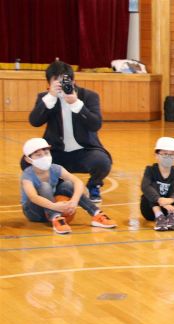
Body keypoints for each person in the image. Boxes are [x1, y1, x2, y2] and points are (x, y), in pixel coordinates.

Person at [27, 60, 112, 203]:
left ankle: (94, 186)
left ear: (73, 80)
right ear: (49, 83)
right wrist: (50, 98)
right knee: (28, 162)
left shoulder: (88, 96)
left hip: (85, 151)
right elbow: (34, 121)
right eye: (56, 81)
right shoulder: (45, 98)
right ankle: (58, 184)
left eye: (65, 80)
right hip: (56, 152)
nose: (61, 85)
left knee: (102, 161)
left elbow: (95, 124)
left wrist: (77, 104)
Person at [20, 138, 117, 234]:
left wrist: (74, 201)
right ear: (28, 160)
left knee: (68, 185)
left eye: (46, 153)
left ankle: (96, 213)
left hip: (52, 207)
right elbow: (33, 197)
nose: (44, 157)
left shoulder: (55, 168)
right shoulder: (27, 175)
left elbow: (77, 182)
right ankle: (56, 218)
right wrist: (54, 206)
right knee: (45, 186)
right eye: (38, 155)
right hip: (34, 212)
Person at [140, 137, 174, 231]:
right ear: (156, 155)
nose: (168, 157)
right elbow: (145, 186)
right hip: (149, 210)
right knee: (151, 186)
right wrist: (159, 200)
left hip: (169, 208)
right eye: (165, 154)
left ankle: (172, 216)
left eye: (171, 155)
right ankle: (159, 216)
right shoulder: (150, 170)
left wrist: (171, 200)